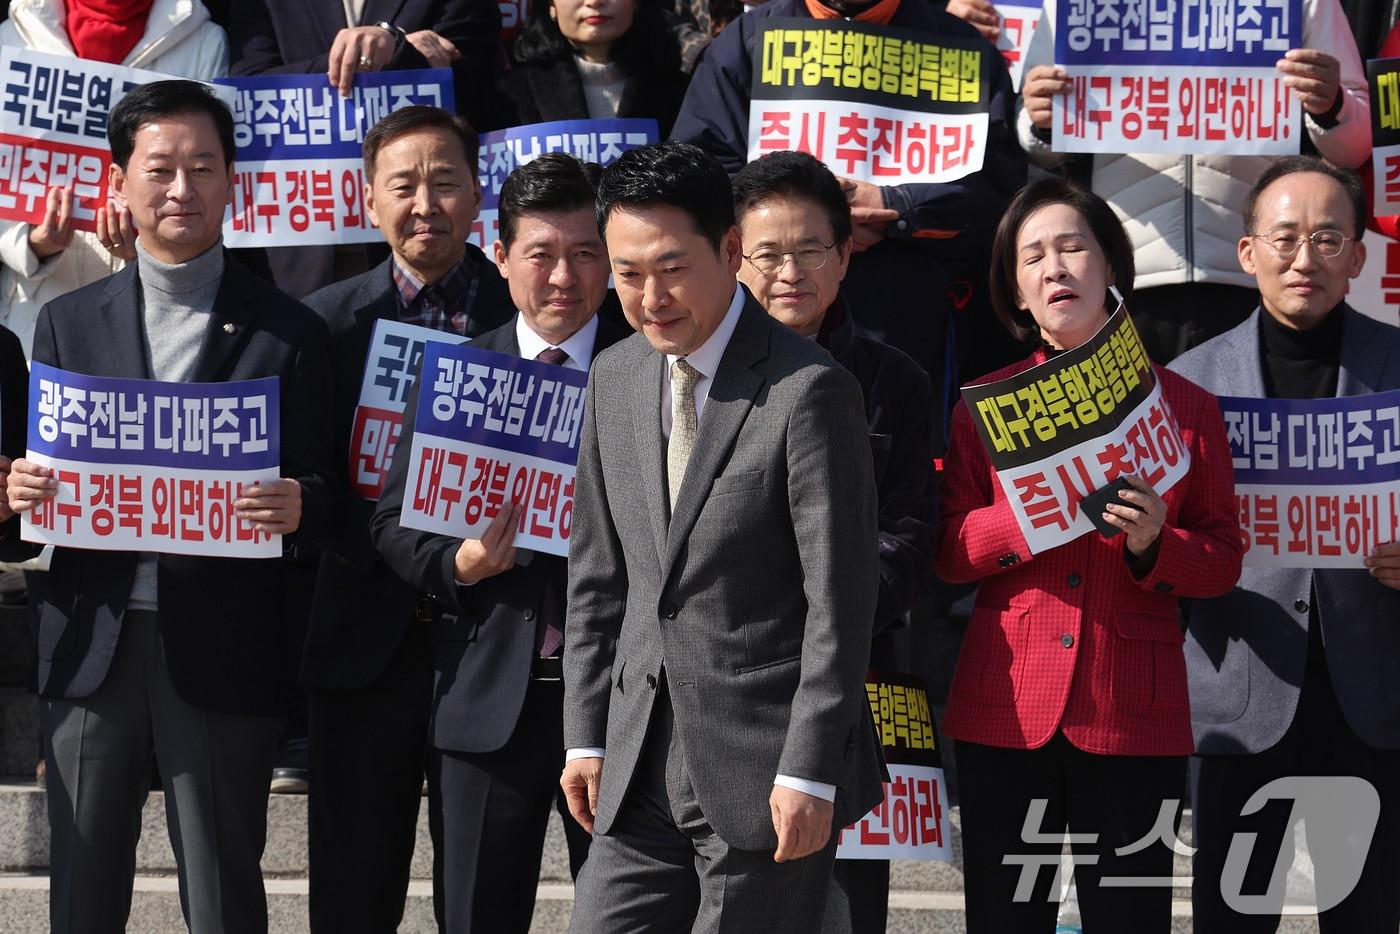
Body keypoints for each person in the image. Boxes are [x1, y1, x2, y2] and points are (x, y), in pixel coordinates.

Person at [2, 80, 335, 934]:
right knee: (81, 895)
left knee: (224, 896)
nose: (181, 188)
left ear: (233, 181)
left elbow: (331, 488)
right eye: (160, 169)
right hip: (91, 642)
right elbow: (42, 476)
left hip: (224, 643)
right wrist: (21, 491)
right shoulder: (66, 322)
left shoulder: (291, 331)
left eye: (202, 167)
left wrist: (302, 503)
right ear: (119, 182)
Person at [559, 140, 885, 933]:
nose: (651, 297)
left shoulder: (809, 391)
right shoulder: (614, 375)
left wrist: (809, 768)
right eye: (628, 273)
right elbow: (598, 579)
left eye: (673, 268)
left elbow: (839, 603)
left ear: (731, 250)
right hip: (635, 759)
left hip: (763, 768)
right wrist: (585, 737)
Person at [936, 176, 1243, 933]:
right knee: (1007, 919)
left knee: (1130, 917)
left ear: (1110, 266)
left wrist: (1155, 543)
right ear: (1016, 292)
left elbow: (1222, 559)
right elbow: (947, 552)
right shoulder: (984, 410)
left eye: (1073, 247)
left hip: (1133, 708)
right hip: (1008, 703)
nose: (1055, 268)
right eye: (1032, 257)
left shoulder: (1185, 407)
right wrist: (1023, 516)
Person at [371, 151, 624, 933]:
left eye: (586, 253)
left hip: (623, 702)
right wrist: (460, 563)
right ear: (502, 255)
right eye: (541, 254)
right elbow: (391, 525)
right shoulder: (456, 372)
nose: (564, 277)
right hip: (485, 697)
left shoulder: (650, 369)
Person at [296, 105, 513, 934]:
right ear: (368, 199)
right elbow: (313, 482)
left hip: (492, 639)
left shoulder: (528, 311)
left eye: (445, 182)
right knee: (352, 896)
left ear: (478, 193)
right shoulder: (324, 322)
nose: (426, 204)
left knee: (480, 901)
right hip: (362, 636)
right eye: (403, 186)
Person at [1170, 156, 1400, 933]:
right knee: (1233, 917)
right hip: (1240, 696)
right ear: (1248, 252)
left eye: (1329, 239)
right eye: (1287, 237)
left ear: (1359, 257)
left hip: (1372, 699)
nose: (1307, 259)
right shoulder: (1189, 382)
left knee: (1365, 917)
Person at [732, 149, 936, 934]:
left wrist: (822, 618)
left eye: (810, 249)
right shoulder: (693, 374)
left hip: (850, 690)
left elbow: (908, 538)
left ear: (846, 255)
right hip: (722, 689)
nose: (790, 272)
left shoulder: (896, 382)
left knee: (844, 908)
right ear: (733, 256)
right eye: (768, 254)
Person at [671, 0, 1027, 429]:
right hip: (761, 318)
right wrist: (811, 214)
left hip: (903, 321)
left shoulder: (958, 46)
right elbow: (697, 176)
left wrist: (897, 205)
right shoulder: (748, 41)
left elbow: (998, 188)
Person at [1009, 0, 1369, 363]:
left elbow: (1356, 144)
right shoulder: (1071, 5)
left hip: (1255, 275)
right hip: (1126, 278)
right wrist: (1041, 120)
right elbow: (1033, 134)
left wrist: (1333, 104)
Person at [227, 0, 502, 299]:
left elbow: (474, 83)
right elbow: (247, 88)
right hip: (300, 248)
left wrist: (397, 46)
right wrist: (368, 58)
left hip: (422, 256)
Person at [0, 0, 227, 358]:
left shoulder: (200, 37)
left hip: (157, 313)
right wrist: (30, 244)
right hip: (36, 309)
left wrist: (151, 251)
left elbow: (208, 174)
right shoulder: (14, 35)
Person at [491, 0, 689, 136]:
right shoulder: (510, 94)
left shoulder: (682, 93)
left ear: (636, 3)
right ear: (551, 6)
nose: (594, 2)